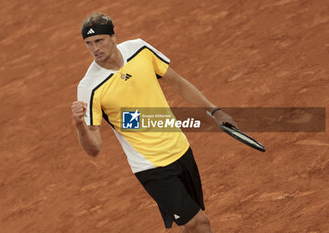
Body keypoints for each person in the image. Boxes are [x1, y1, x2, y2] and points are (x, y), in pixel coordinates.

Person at [71, 12, 237, 233]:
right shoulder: (89, 87)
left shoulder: (140, 49)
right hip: (150, 166)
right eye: (89, 44)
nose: (95, 49)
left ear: (113, 36)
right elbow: (94, 148)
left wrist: (214, 110)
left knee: (191, 226)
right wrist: (80, 126)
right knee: (200, 223)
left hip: (180, 148)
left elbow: (177, 82)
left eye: (99, 40)